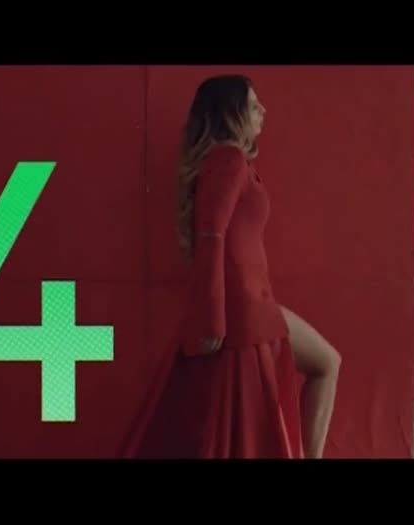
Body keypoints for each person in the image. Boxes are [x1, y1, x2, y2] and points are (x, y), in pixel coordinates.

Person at [126, 74, 341, 459]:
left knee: (318, 370)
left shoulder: (227, 162)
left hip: (250, 307)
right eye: (254, 105)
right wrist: (213, 320)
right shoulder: (228, 160)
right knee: (324, 365)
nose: (263, 111)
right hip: (245, 310)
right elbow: (212, 235)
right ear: (232, 112)